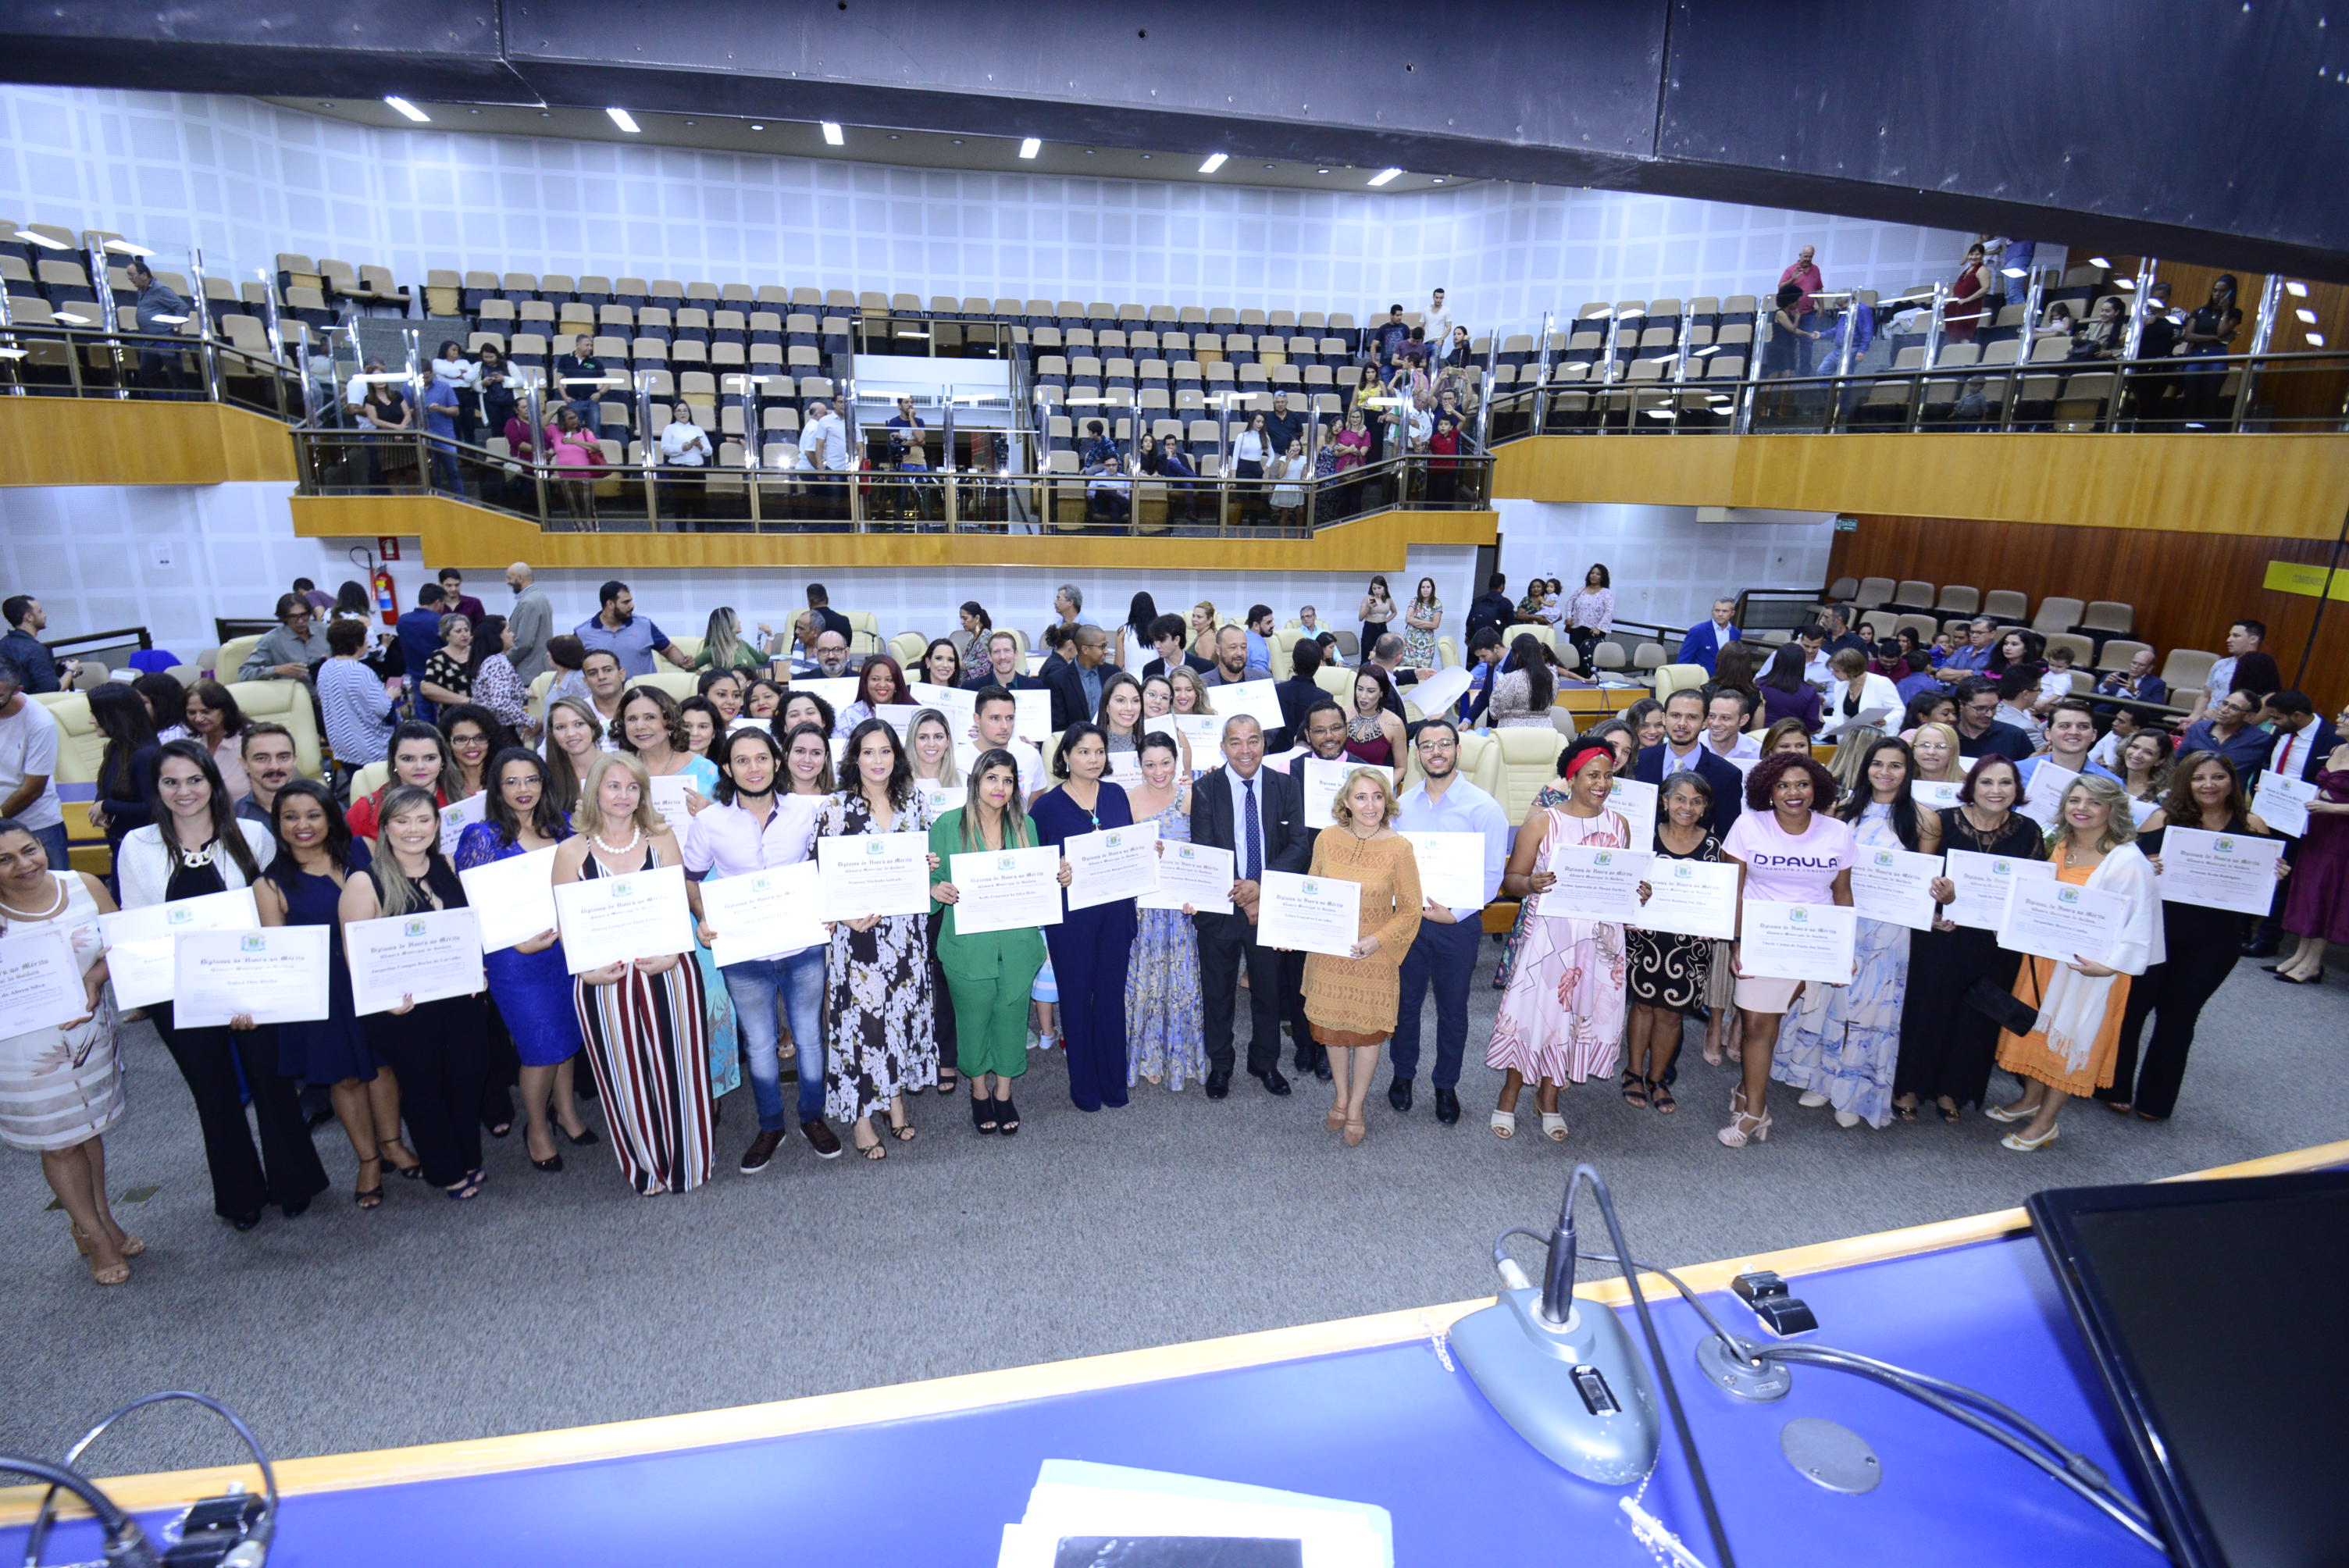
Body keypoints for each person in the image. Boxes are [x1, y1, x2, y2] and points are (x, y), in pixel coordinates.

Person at [119, 741, 324, 1227]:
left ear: (212, 782)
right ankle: (240, 1196)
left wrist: (261, 989)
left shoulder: (253, 835)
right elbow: (135, 923)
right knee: (214, 1096)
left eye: (195, 779)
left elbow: (274, 912)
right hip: (176, 993)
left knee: (273, 1086)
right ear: (157, 788)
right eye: (171, 782)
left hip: (251, 983)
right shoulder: (137, 845)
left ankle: (294, 1182)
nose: (184, 791)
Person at [682, 729, 839, 1171]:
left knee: (808, 1037)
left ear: (777, 762)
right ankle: (771, 1124)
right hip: (743, 953)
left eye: (762, 758)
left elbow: (830, 864)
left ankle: (812, 1116)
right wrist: (702, 917)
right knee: (760, 1042)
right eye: (742, 760)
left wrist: (831, 906)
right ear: (728, 769)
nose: (754, 768)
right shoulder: (709, 822)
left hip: (802, 945)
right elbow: (691, 879)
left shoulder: (806, 812)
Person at [554, 752, 710, 1192]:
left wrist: (675, 953)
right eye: (613, 786)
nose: (623, 796)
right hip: (602, 982)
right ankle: (645, 1166)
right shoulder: (570, 852)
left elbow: (678, 903)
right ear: (594, 791)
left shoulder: (661, 838)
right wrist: (586, 970)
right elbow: (567, 923)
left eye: (633, 787)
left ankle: (688, 1163)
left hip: (670, 971)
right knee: (624, 1078)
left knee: (681, 1070)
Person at [1987, 776, 2163, 1151]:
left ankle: (2046, 1122)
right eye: (2075, 800)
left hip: (2091, 971)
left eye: (2094, 802)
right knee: (2039, 1030)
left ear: (2112, 810)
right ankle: (2030, 1099)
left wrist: (2110, 966)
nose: (2082, 809)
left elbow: (2142, 922)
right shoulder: (2062, 844)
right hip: (2046, 960)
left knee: (2068, 1040)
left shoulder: (2128, 862)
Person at [336, 784, 492, 1199]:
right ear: (385, 827)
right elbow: (356, 957)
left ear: (437, 825)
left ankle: (468, 1156)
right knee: (425, 1090)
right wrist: (385, 1001)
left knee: (466, 1081)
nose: (413, 829)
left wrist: (477, 970)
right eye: (402, 821)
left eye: (423, 819)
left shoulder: (448, 865)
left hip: (461, 1001)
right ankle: (445, 1170)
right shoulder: (364, 882)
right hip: (403, 1012)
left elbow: (468, 930)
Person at [0, 816, 137, 1284]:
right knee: (60, 1144)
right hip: (23, 1053)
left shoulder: (82, 885)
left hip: (89, 1036)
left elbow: (123, 944)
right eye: (4, 859)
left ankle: (102, 1221)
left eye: (29, 850)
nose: (24, 865)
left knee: (88, 1131)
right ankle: (95, 1236)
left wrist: (94, 979)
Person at [1485, 743, 1640, 1142]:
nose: (1602, 783)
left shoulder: (1620, 824)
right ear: (1571, 778)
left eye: (1608, 775)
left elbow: (1620, 881)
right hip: (1551, 938)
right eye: (1592, 775)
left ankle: (1549, 1097)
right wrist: (1530, 883)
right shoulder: (1543, 823)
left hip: (1600, 942)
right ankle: (1509, 1095)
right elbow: (1512, 882)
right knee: (1534, 1015)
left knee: (1576, 1017)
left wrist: (1638, 890)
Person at [1771, 738, 1920, 1131]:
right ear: (1866, 767)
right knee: (1831, 1001)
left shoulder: (1923, 820)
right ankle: (1820, 1080)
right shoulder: (1842, 811)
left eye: (1895, 765)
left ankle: (1853, 1091)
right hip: (1840, 917)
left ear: (1908, 772)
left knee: (1870, 1010)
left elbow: (1924, 880)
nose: (1885, 772)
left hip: (1888, 931)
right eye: (1878, 764)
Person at [1893, 755, 2045, 1121]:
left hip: (1994, 944)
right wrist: (1934, 909)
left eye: (2005, 783)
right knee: (1926, 1010)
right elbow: (1916, 875)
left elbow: (2034, 889)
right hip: (1943, 936)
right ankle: (1909, 1085)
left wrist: (2012, 920)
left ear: (2017, 789)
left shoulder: (2029, 830)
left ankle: (1953, 1090)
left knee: (1975, 1019)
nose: (1996, 790)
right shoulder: (1942, 822)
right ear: (1971, 786)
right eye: (1987, 782)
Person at [1718, 751, 1857, 1147]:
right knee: (1757, 1024)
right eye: (1782, 785)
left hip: (1812, 943)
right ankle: (1755, 1109)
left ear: (1817, 789)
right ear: (1768, 790)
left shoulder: (1837, 832)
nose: (1793, 793)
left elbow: (1842, 893)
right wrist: (1737, 942)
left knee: (1767, 1021)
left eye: (1802, 784)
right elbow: (1733, 889)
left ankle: (1750, 1099)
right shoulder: (1749, 825)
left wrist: (1843, 950)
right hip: (1761, 938)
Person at [818, 719, 938, 1158]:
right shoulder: (835, 807)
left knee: (900, 1017)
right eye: (868, 752)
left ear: (896, 755)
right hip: (858, 938)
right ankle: (862, 1116)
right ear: (854, 758)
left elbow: (925, 859)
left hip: (905, 934)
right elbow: (818, 873)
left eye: (885, 751)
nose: (878, 760)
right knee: (864, 1026)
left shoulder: (914, 800)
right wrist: (843, 917)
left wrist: (928, 863)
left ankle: (894, 1098)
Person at [1386, 719, 1510, 1123]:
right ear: (1417, 755)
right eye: (1427, 745)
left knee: (1453, 1010)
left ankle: (1446, 1085)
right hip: (1410, 923)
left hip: (1459, 924)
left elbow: (1492, 875)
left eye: (1444, 744)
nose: (1435, 751)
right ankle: (1403, 1074)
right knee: (1405, 1004)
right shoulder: (1402, 807)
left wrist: (1455, 914)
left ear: (1457, 750)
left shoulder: (1484, 808)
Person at [1296, 767, 1422, 1146]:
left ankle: (1356, 1108)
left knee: (1368, 1036)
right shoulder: (1327, 838)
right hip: (1330, 955)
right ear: (1346, 803)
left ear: (1387, 801)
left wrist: (1377, 941)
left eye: (1378, 797)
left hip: (1374, 957)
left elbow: (1411, 909)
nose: (1371, 805)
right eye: (1362, 797)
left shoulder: (1400, 848)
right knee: (1333, 1032)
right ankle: (1340, 1097)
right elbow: (1311, 891)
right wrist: (1291, 930)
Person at [925, 748, 1049, 1134]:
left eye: (1008, 780)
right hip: (968, 948)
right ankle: (979, 1091)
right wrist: (935, 889)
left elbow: (1037, 880)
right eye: (992, 777)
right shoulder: (947, 825)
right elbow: (929, 882)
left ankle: (1004, 1092)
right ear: (976, 780)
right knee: (974, 1022)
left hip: (1017, 946)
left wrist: (1058, 877)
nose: (1000, 787)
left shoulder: (1026, 825)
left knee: (1011, 1021)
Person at [1189, 715, 1313, 1098]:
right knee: (1218, 992)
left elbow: (1299, 845)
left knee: (1269, 991)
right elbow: (1205, 847)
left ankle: (1265, 1062)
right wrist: (1245, 895)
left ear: (1264, 743)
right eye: (1236, 742)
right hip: (1221, 907)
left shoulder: (1286, 786)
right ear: (1223, 747)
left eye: (1253, 740)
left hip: (1270, 904)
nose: (1246, 750)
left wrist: (1261, 887)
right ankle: (1220, 1065)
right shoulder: (1205, 789)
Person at [1028, 721, 1138, 1112]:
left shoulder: (1116, 795)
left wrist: (1147, 852)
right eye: (1084, 752)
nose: (1093, 759)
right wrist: (1055, 871)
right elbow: (1036, 865)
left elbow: (1127, 845)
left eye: (1099, 752)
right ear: (1065, 757)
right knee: (1076, 1000)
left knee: (1110, 997)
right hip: (1071, 920)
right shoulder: (1046, 807)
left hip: (1115, 914)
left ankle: (1114, 1082)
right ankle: (1085, 1087)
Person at [1621, 770, 1722, 1114]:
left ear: (1705, 807)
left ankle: (1657, 1078)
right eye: (1679, 799)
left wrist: (1716, 923)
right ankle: (1633, 1072)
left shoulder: (1715, 847)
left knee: (1672, 1013)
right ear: (1665, 801)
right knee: (1643, 1006)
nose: (1687, 807)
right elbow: (1626, 884)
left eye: (1696, 801)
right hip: (1646, 938)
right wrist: (1631, 906)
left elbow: (1720, 898)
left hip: (1691, 946)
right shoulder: (1644, 840)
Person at [1120, 730, 1207, 1090]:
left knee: (1180, 982)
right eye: (1150, 764)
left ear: (1177, 761)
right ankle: (1146, 1057)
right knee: (1145, 982)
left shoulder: (1191, 796)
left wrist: (1202, 894)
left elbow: (1206, 851)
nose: (1159, 772)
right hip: (1144, 909)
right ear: (1139, 765)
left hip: (1181, 910)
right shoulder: (1126, 800)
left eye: (1166, 763)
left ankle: (1178, 1057)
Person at [2276, 700, 2349, 985]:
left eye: (2346, 716)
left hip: (2341, 835)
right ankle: (2300, 954)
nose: (2339, 719)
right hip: (2318, 829)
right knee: (2308, 887)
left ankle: (2314, 962)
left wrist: (2333, 808)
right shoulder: (2337, 749)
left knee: (2325, 891)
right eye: (2341, 713)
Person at [1634, 686, 1745, 838]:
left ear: (1705, 722)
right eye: (1675, 715)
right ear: (1664, 718)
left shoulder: (1726, 775)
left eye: (1692, 717)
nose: (1682, 723)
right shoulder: (1638, 761)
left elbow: (1728, 837)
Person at [0, 658, 68, 871]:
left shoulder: (39, 721)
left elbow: (33, 789)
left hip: (36, 823)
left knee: (54, 884)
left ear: (17, 690)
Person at [347, 722, 458, 839]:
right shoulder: (363, 811)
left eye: (430, 758)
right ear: (394, 762)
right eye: (408, 759)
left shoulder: (462, 800)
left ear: (442, 762)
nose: (420, 766)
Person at [576, 580, 689, 677]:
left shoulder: (644, 625)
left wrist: (682, 661)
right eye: (626, 602)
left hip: (643, 692)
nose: (632, 606)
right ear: (610, 604)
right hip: (604, 693)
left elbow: (668, 650)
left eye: (630, 601)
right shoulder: (582, 633)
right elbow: (574, 668)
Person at [2178, 273, 2242, 424]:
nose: (2217, 294)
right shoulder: (2200, 311)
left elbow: (2222, 331)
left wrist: (2225, 311)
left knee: (2211, 391)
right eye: (2215, 290)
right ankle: (2186, 424)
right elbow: (2188, 335)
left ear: (2230, 292)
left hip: (2217, 353)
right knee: (2191, 388)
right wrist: (2214, 337)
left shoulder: (2234, 313)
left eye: (2222, 291)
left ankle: (2206, 425)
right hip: (2197, 353)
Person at [2178, 687, 2272, 779]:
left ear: (2249, 716)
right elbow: (2179, 762)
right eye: (2224, 703)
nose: (2224, 710)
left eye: (2234, 708)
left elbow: (2267, 773)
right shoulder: (2199, 729)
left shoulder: (2260, 740)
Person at [237, 592, 330, 684]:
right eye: (293, 617)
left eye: (304, 615)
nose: (300, 621)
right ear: (284, 618)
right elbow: (245, 673)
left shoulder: (325, 631)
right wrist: (278, 670)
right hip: (297, 691)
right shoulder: (271, 640)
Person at [1346, 666, 1409, 786]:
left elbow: (1401, 767)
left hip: (1377, 787)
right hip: (1343, 786)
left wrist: (1384, 790)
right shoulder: (1341, 715)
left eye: (1371, 691)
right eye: (1360, 689)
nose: (1363, 696)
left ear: (1381, 693)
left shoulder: (1394, 723)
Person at [2190, 618, 2265, 720]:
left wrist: (2218, 717)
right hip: (2206, 721)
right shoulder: (2221, 664)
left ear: (2253, 639)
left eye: (2236, 636)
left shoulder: (2261, 668)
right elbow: (2205, 696)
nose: (2228, 640)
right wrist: (2194, 717)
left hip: (2232, 724)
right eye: (2230, 635)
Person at [1045, 625, 1114, 732]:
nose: (1107, 651)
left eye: (1106, 645)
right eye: (1102, 646)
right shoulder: (1059, 680)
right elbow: (1059, 726)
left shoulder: (1113, 673)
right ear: (1085, 649)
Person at [0, 596, 76, 693]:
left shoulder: (3, 643)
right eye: (40, 611)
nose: (45, 615)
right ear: (29, 617)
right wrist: (71, 670)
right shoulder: (35, 650)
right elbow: (54, 691)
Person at [1951, 675, 2033, 761]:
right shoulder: (1947, 737)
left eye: (1994, 707)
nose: (1989, 714)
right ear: (1960, 705)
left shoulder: (2014, 736)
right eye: (1981, 709)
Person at [1822, 647, 1901, 736]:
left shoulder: (1881, 682)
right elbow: (1838, 719)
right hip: (1849, 739)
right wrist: (1818, 719)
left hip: (1876, 738)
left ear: (1851, 670)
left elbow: (1898, 710)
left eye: (1837, 671)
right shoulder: (1839, 686)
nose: (1833, 674)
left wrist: (1886, 720)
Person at [1944, 242, 1994, 343]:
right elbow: (1957, 288)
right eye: (1971, 254)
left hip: (1969, 307)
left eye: (1977, 254)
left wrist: (1967, 300)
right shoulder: (1967, 269)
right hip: (1956, 306)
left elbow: (1985, 288)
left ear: (1982, 256)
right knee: (1952, 335)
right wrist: (1949, 300)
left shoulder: (1982, 270)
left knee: (1964, 336)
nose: (1973, 257)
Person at [1678, 597, 1741, 675]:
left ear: (1732, 613)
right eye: (1717, 610)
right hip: (1701, 679)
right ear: (1712, 611)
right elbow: (1683, 660)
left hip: (1726, 679)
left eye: (1725, 611)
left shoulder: (1736, 633)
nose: (1720, 614)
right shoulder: (1698, 631)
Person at [2094, 647, 2168, 711]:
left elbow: (2157, 709)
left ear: (2149, 668)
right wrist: (2104, 686)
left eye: (2141, 665)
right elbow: (2090, 699)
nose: (2135, 667)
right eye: (2134, 663)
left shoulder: (2157, 684)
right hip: (2104, 712)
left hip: (2130, 716)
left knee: (2125, 699)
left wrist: (2135, 692)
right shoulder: (2113, 676)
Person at [1357, 576, 1396, 667]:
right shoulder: (1369, 598)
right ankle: (1364, 671)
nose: (1377, 591)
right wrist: (1368, 607)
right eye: (1374, 588)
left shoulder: (1388, 600)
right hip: (1370, 627)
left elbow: (1394, 612)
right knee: (1367, 653)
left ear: (1384, 588)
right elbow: (1360, 618)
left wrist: (1386, 620)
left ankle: (1382, 671)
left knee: (1382, 652)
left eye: (1379, 588)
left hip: (1382, 627)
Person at [1466, 573, 1513, 640]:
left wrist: (1468, 637)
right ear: (1502, 586)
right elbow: (1511, 628)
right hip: (1496, 642)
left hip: (1477, 641)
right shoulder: (1506, 603)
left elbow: (1469, 622)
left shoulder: (1477, 601)